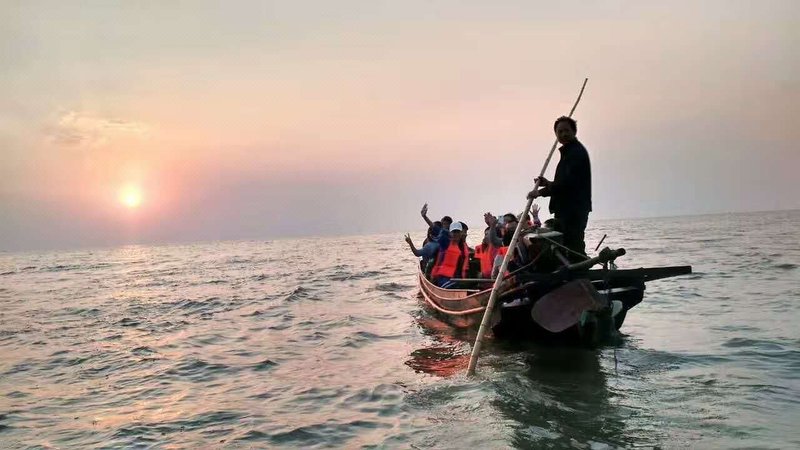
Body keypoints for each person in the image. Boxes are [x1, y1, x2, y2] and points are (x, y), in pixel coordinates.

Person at [527, 116, 591, 260]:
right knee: (567, 244)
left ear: (574, 131)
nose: (563, 134)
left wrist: (539, 192)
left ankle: (580, 270)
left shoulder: (576, 153)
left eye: (566, 130)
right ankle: (574, 269)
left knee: (574, 245)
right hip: (566, 208)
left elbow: (566, 185)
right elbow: (563, 183)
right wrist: (547, 183)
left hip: (573, 208)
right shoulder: (568, 153)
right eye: (560, 132)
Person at [430, 221, 470, 288]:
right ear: (450, 233)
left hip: (458, 278)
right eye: (453, 232)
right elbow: (435, 228)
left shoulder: (463, 246)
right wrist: (425, 217)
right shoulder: (445, 243)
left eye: (457, 232)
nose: (455, 234)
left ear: (461, 233)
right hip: (444, 278)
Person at [474, 213, 503, 278]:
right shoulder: (480, 248)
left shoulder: (497, 247)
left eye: (488, 234)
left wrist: (492, 224)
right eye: (485, 234)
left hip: (494, 279)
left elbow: (495, 238)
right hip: (483, 280)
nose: (486, 236)